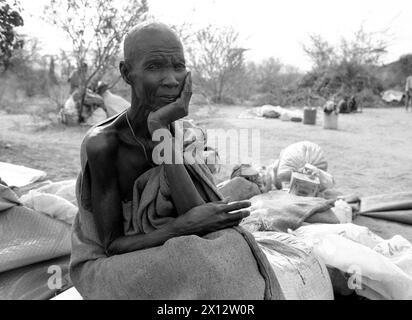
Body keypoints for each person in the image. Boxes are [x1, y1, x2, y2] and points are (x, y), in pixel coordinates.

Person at [79, 22, 250, 256]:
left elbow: (197, 217)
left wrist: (159, 127)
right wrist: (181, 227)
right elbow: (112, 244)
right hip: (125, 258)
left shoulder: (181, 131)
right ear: (126, 73)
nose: (171, 80)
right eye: (154, 67)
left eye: (179, 66)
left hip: (179, 245)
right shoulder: (104, 143)